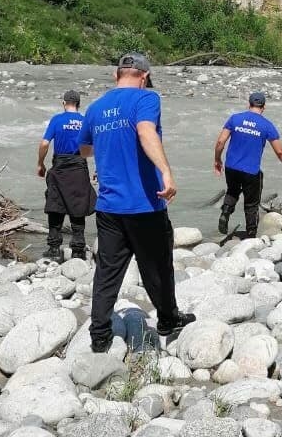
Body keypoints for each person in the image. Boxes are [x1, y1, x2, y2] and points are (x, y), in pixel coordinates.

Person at [78, 52, 195, 353]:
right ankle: (168, 319)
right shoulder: (146, 99)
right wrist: (167, 172)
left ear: (117, 75)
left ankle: (99, 335)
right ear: (143, 76)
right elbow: (145, 131)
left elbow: (84, 150)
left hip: (108, 207)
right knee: (157, 266)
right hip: (145, 205)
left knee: (107, 271)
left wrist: (108, 149)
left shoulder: (95, 107)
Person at [213, 91, 282, 238]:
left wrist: (217, 159)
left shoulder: (235, 118)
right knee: (251, 203)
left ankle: (225, 211)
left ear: (249, 104)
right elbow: (280, 152)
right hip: (251, 171)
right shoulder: (266, 125)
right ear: (263, 107)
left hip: (231, 167)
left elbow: (220, 142)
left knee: (232, 191)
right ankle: (251, 234)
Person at [37, 89, 96, 262]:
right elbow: (96, 147)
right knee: (78, 205)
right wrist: (98, 169)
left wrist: (40, 163)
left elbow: (44, 143)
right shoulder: (86, 121)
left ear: (64, 103)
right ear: (79, 104)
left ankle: (54, 248)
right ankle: (78, 249)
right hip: (79, 166)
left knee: (55, 204)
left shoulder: (57, 120)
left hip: (60, 166)